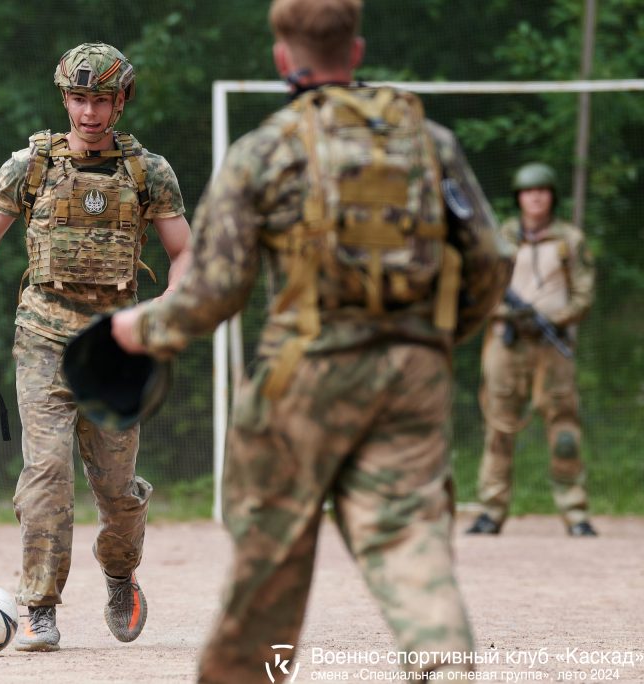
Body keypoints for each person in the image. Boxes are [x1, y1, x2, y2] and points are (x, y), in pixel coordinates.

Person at [110, 0, 512, 679]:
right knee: (411, 547)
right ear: (354, 53)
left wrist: (137, 328)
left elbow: (213, 293)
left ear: (281, 59)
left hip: (304, 380)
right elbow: (490, 264)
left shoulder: (265, 150)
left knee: (272, 562)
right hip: (414, 376)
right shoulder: (428, 141)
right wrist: (432, 340)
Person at [0, 42, 191, 652]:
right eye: (78, 98)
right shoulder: (29, 167)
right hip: (43, 337)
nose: (88, 112)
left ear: (120, 101)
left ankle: (119, 573)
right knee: (46, 473)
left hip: (117, 347)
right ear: (64, 99)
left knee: (117, 489)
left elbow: (186, 253)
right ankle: (40, 605)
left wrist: (163, 314)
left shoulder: (148, 173)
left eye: (101, 99)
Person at [466, 162, 597, 537]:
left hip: (552, 346)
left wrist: (558, 318)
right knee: (499, 426)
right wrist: (508, 312)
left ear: (552, 196)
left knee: (564, 429)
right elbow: (482, 286)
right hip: (506, 342)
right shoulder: (501, 238)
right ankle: (491, 510)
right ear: (519, 197)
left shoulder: (569, 240)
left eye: (542, 191)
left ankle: (575, 512)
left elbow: (584, 294)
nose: (535, 197)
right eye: (528, 191)